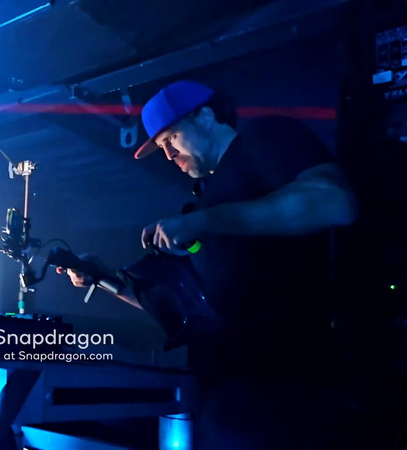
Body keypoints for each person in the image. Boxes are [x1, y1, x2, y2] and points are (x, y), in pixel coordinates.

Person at [63, 81, 357, 449]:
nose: (168, 155)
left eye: (171, 138)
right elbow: (179, 305)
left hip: (290, 388)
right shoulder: (205, 202)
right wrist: (102, 277)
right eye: (162, 148)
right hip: (226, 397)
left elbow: (334, 202)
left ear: (204, 115)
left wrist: (203, 221)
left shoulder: (263, 138)